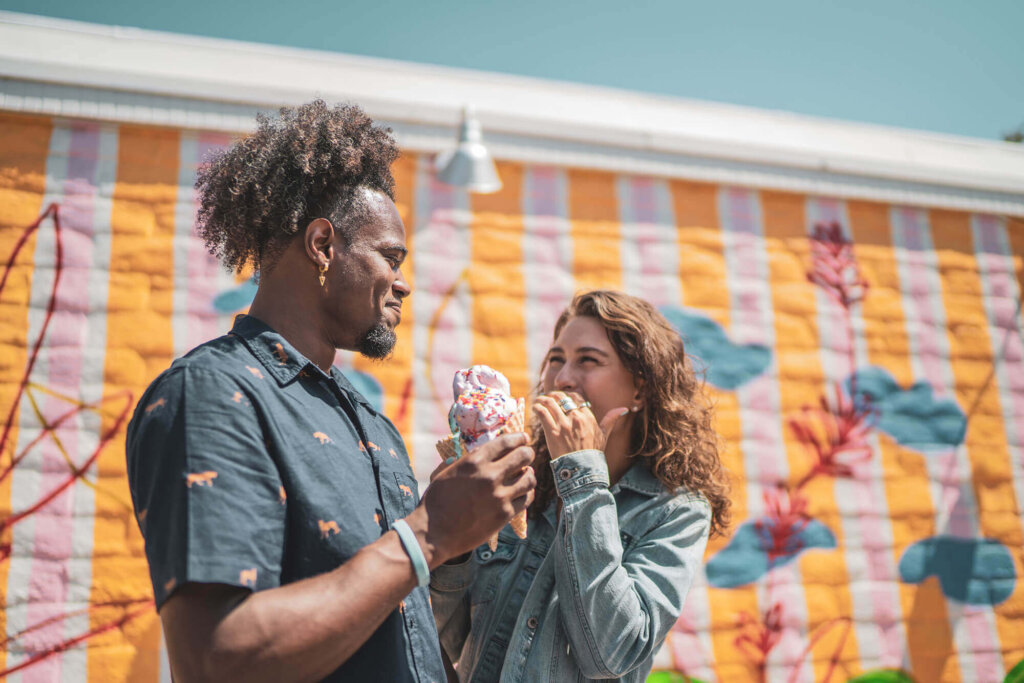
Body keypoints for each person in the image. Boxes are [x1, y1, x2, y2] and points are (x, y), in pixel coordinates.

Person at [125, 100, 535, 683]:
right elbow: (215, 658)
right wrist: (428, 532)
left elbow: (398, 628)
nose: (404, 283)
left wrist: (452, 533)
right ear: (322, 245)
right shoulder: (212, 396)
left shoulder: (372, 423)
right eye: (389, 258)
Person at [430, 290, 731, 682]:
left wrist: (582, 476)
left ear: (640, 388)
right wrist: (450, 543)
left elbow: (613, 653)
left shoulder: (676, 509)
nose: (563, 378)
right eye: (556, 359)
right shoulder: (520, 482)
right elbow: (452, 639)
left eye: (588, 360)